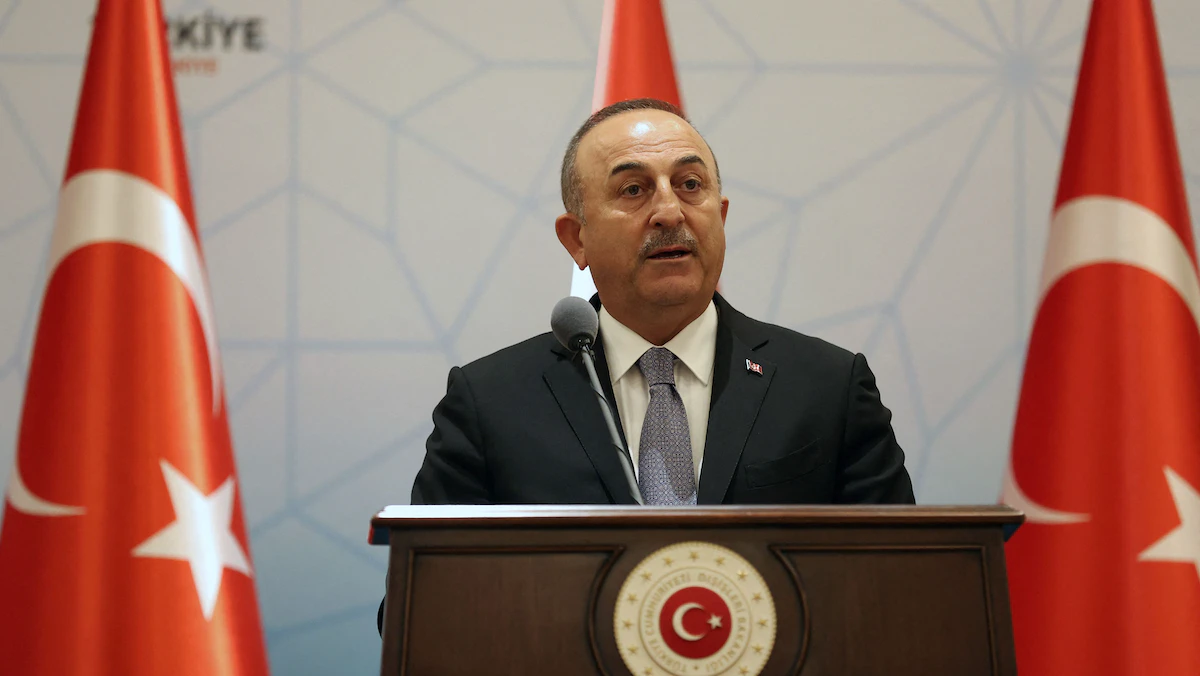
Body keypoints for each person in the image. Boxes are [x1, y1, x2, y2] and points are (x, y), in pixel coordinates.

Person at [380, 98, 915, 635]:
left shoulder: (827, 387)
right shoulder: (490, 403)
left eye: (690, 185)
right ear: (577, 238)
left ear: (721, 216)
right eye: (633, 190)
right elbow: (420, 613)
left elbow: (904, 588)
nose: (670, 212)